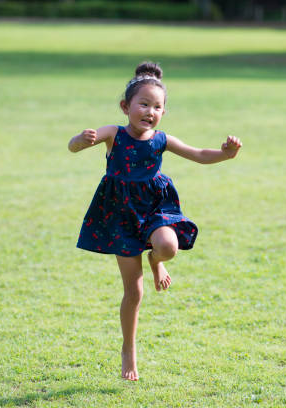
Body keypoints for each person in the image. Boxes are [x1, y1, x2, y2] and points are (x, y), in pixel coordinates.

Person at [68, 62, 242, 381]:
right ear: (126, 107)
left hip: (154, 208)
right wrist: (80, 140)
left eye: (157, 106)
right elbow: (74, 147)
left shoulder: (161, 139)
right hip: (120, 214)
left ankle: (156, 259)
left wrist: (224, 154)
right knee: (134, 292)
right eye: (143, 104)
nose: (150, 111)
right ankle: (128, 350)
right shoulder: (114, 134)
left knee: (168, 246)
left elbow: (200, 154)